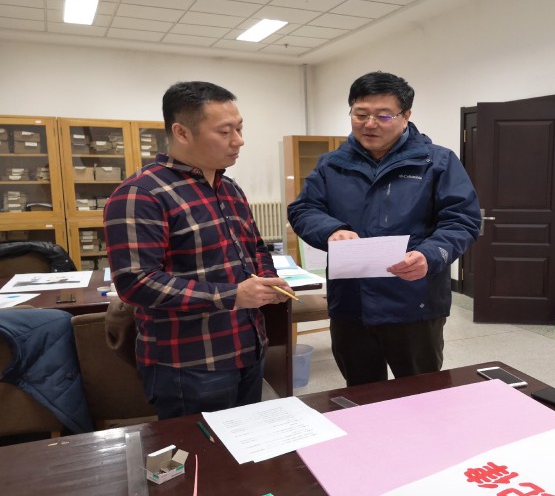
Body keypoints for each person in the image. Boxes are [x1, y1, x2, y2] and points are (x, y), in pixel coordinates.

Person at [104, 81, 293, 419]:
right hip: (189, 363)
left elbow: (254, 247)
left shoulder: (229, 188)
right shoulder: (141, 194)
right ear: (182, 132)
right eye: (225, 131)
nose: (239, 140)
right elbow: (136, 282)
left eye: (240, 128)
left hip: (247, 346)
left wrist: (267, 278)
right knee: (200, 451)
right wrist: (233, 295)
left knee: (247, 443)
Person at [288, 71, 481, 386]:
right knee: (361, 392)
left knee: (421, 390)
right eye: (360, 114)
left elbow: (462, 219)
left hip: (414, 302)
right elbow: (304, 209)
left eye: (383, 115)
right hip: (351, 303)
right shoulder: (330, 164)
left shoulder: (437, 162)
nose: (370, 124)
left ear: (406, 116)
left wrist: (430, 255)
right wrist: (331, 230)